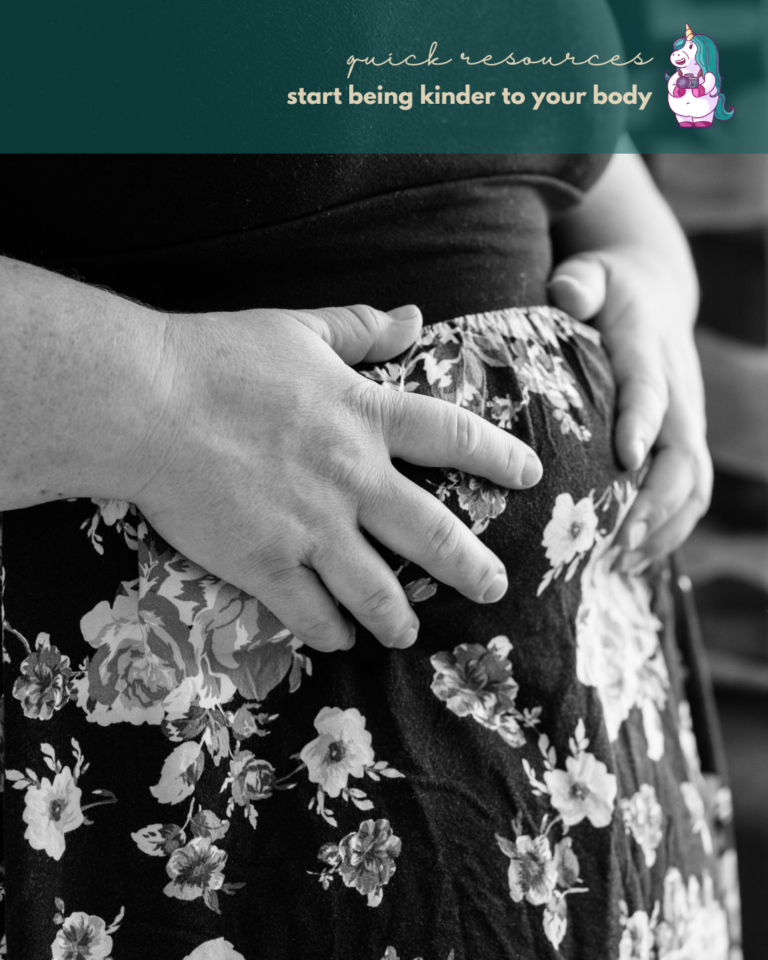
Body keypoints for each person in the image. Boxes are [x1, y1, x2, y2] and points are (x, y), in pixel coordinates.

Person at [0, 150, 739, 960]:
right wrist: (166, 395)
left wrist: (654, 268)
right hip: (170, 787)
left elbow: (581, 137)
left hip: (590, 722)